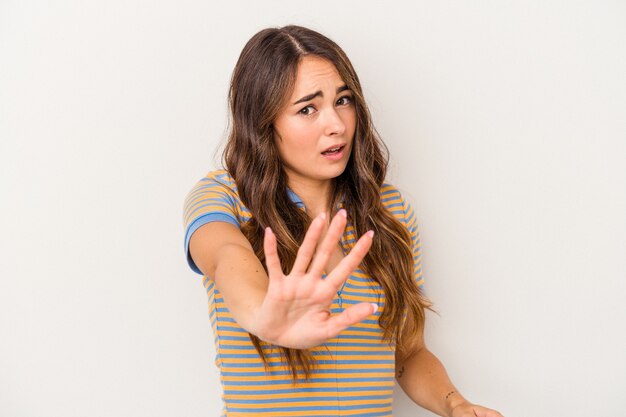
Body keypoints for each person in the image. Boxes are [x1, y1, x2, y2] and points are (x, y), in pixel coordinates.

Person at [183, 25, 504, 417]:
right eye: (307, 109)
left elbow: (409, 353)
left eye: (344, 100)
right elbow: (223, 255)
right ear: (264, 122)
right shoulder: (224, 197)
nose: (336, 124)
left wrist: (456, 405)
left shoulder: (389, 212)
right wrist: (261, 315)